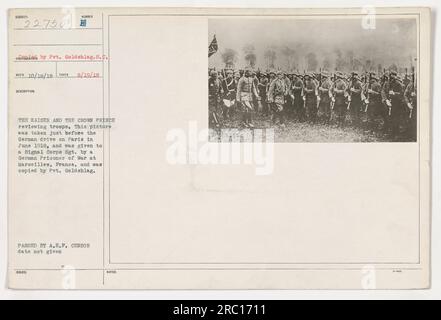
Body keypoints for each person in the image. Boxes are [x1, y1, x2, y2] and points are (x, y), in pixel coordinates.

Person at [381, 70, 406, 139]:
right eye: (391, 76)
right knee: (388, 117)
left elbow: (402, 94)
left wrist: (394, 93)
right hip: (387, 102)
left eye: (394, 76)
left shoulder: (398, 84)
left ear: (395, 76)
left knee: (395, 118)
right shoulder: (386, 83)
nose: (392, 78)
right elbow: (383, 91)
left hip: (396, 103)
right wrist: (385, 99)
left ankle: (395, 133)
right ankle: (391, 132)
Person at [404, 73, 417, 141]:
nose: (413, 79)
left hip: (417, 106)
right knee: (409, 119)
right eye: (412, 77)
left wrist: (416, 95)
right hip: (410, 105)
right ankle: (409, 134)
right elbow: (405, 94)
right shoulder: (410, 85)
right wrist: (408, 102)